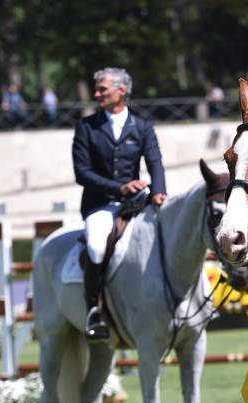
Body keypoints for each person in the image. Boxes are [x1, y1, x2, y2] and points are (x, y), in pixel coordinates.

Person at [72, 67, 168, 342]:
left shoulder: (142, 126)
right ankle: (94, 310)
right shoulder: (86, 127)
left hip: (135, 204)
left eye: (103, 89)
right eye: (97, 89)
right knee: (96, 245)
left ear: (121, 91)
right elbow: (82, 173)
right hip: (100, 204)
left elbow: (155, 162)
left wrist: (159, 192)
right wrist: (119, 187)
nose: (97, 93)